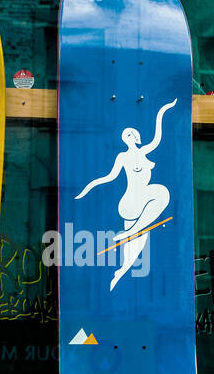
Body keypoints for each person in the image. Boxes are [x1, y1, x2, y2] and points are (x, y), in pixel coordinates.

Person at [75, 98, 177, 290]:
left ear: (137, 137)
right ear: (124, 139)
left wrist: (164, 109)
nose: (130, 135)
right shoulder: (122, 157)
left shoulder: (145, 151)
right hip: (131, 202)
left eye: (133, 133)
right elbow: (108, 177)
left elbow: (158, 137)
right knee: (161, 193)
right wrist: (88, 187)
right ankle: (130, 233)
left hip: (143, 199)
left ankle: (119, 272)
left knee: (138, 245)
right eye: (127, 134)